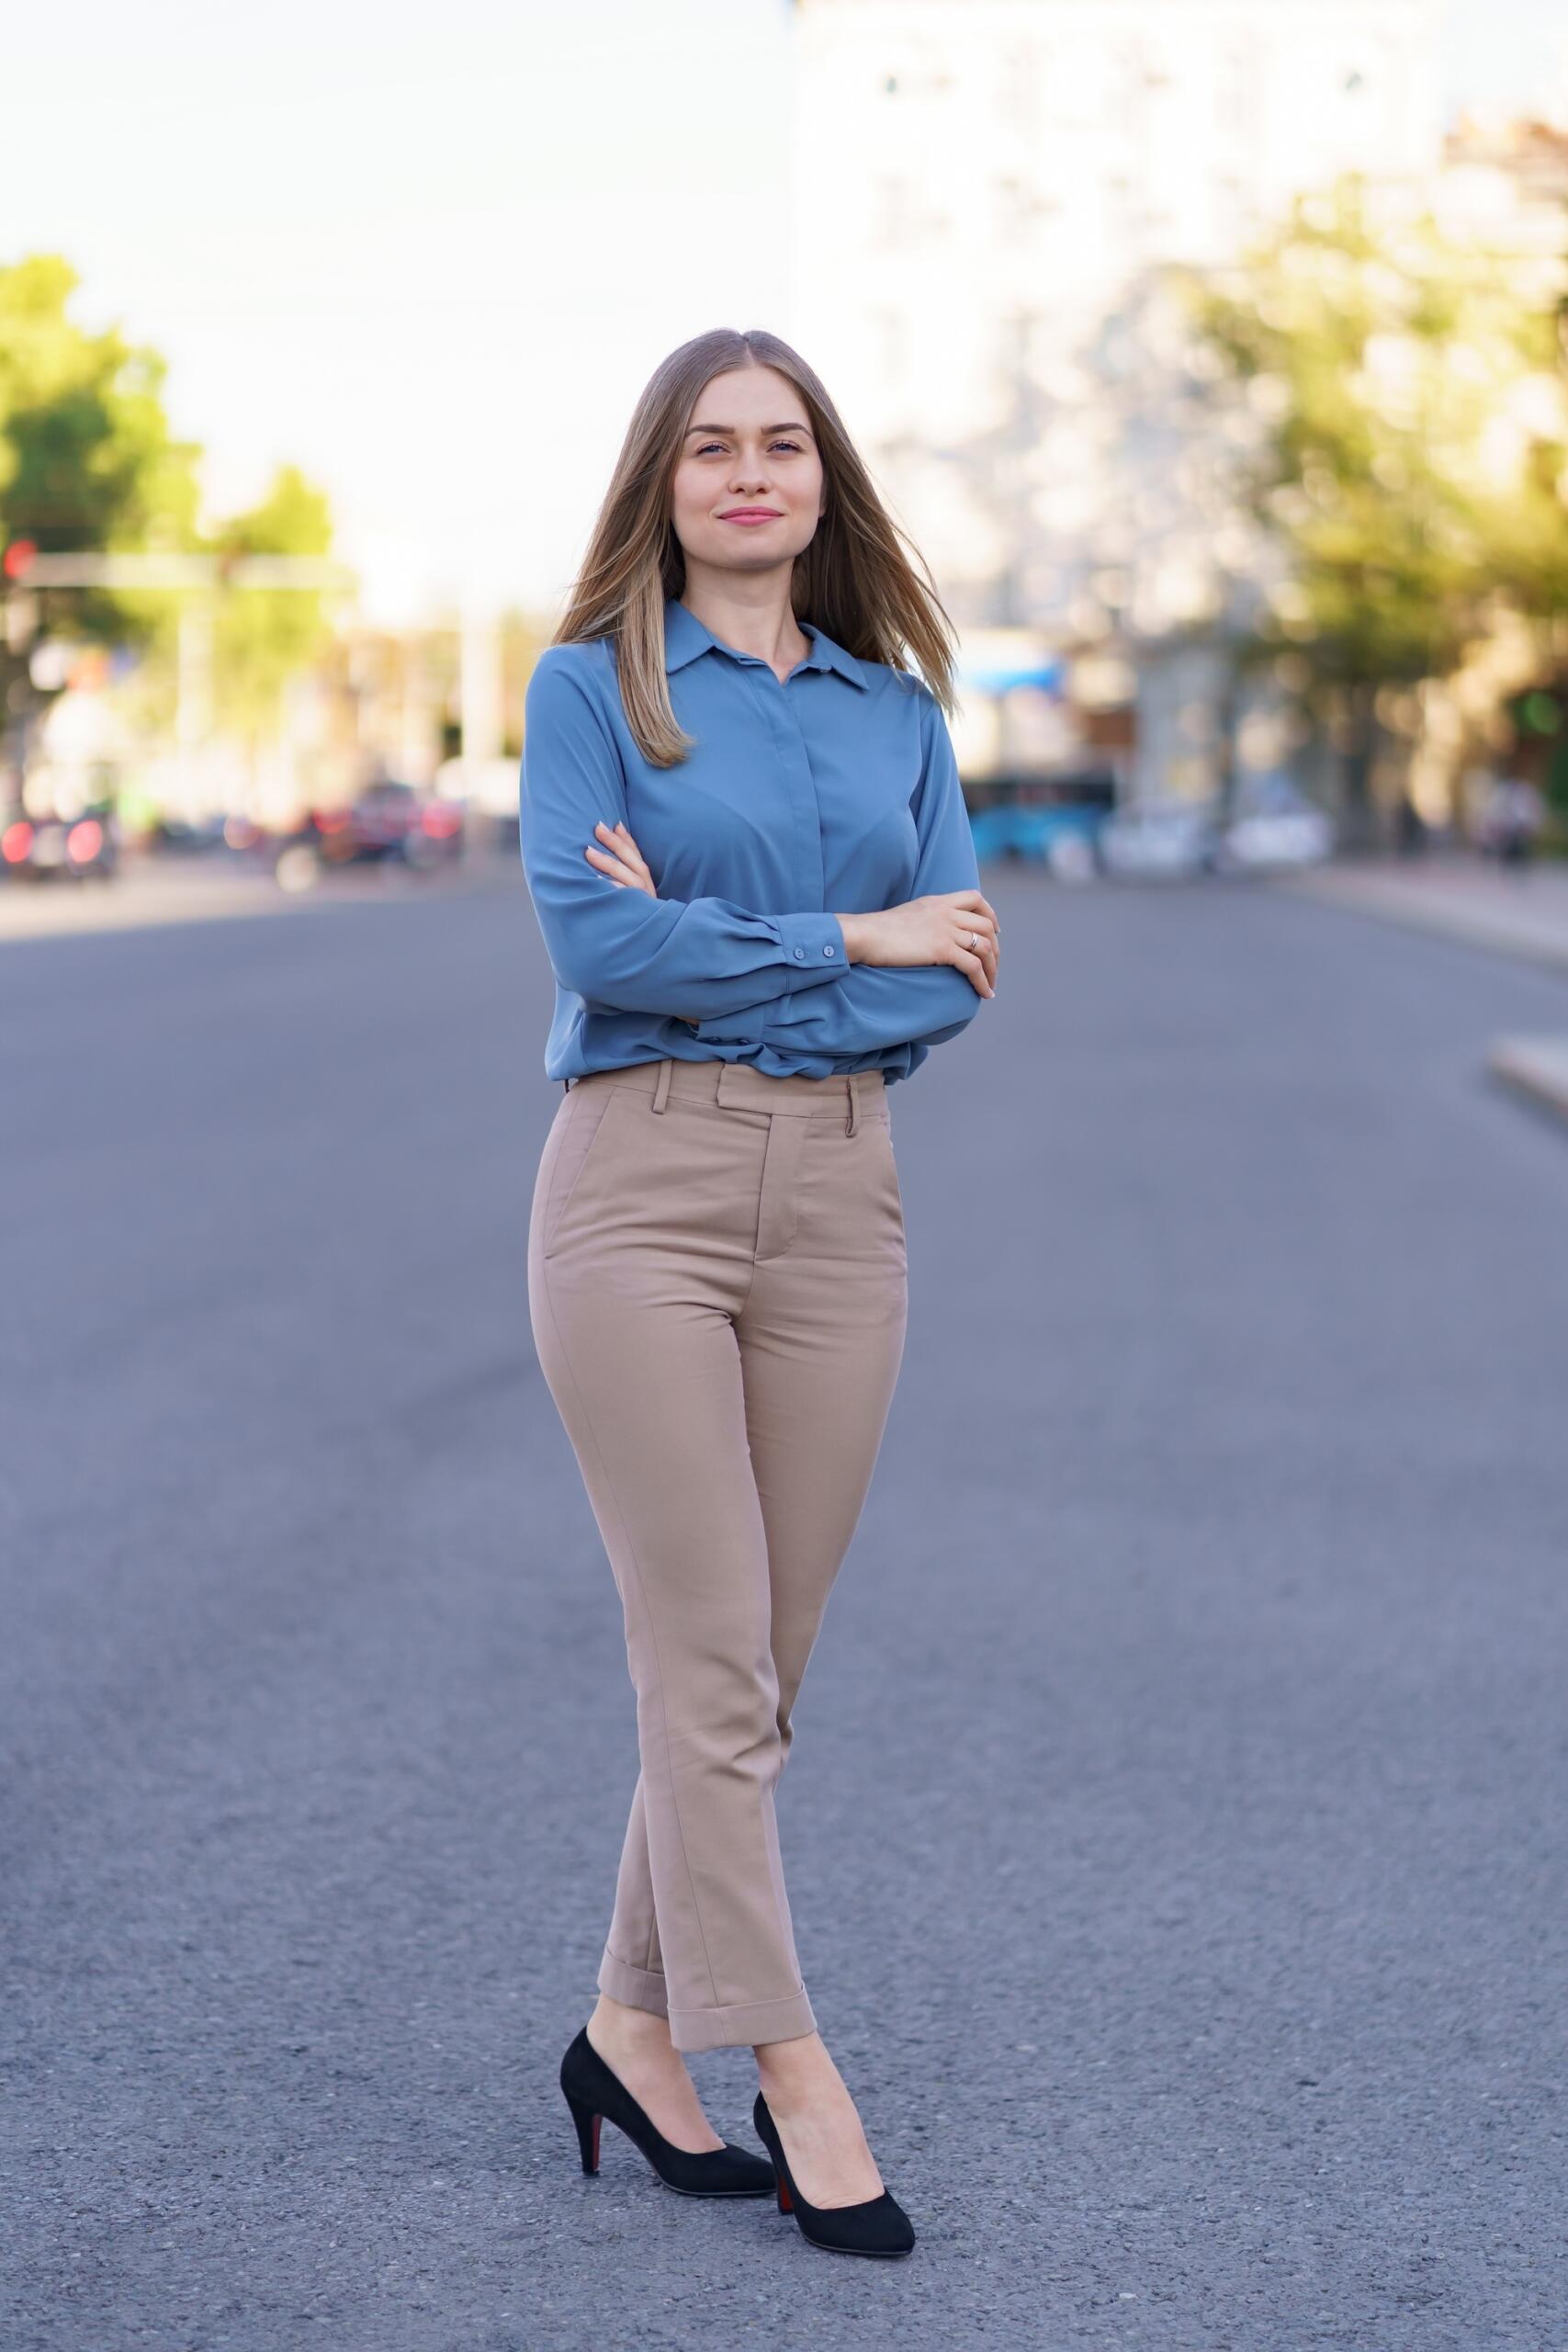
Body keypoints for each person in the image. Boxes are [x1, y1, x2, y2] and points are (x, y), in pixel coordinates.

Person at [518, 327, 998, 2260]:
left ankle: (629, 2029)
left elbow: (946, 970)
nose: (744, 475)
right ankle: (793, 2064)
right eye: (707, 448)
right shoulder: (589, 688)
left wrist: (761, 952)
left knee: (760, 1675)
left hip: (843, 1194)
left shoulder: (897, 714)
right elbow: (588, 930)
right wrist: (841, 933)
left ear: (821, 480)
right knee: (703, 1663)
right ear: (662, 480)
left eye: (777, 446)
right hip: (636, 1185)